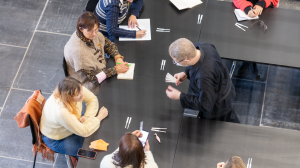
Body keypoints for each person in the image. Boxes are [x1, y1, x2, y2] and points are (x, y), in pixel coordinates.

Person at [165, 38, 240, 123]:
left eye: (176, 62)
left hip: (218, 106)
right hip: (224, 85)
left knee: (227, 121)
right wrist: (185, 72)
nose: (176, 63)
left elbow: (205, 105)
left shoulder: (204, 77)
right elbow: (194, 62)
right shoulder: (202, 46)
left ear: (186, 59)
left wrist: (179, 96)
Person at [39, 77, 108, 167]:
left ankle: (73, 152)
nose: (82, 95)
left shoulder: (74, 87)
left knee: (95, 134)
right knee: (90, 152)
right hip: (56, 138)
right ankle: (72, 159)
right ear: (69, 98)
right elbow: (84, 131)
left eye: (81, 90)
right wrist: (99, 117)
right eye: (78, 94)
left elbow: (92, 99)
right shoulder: (62, 112)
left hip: (71, 122)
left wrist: (87, 116)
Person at [64, 11, 129, 95]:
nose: (94, 34)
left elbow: (107, 44)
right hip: (89, 84)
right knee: (121, 92)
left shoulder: (90, 32)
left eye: (96, 29)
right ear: (81, 29)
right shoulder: (78, 51)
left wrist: (117, 56)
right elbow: (95, 78)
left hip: (101, 67)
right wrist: (115, 70)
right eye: (90, 31)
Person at [233, 0, 279, 80]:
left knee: (260, 39)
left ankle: (252, 60)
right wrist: (247, 8)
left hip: (266, 11)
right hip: (245, 11)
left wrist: (262, 3)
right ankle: (247, 60)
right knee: (246, 38)